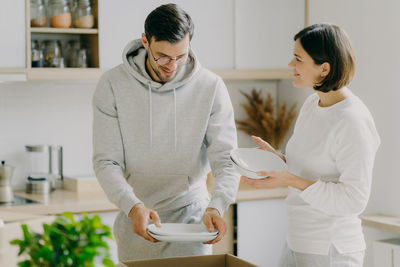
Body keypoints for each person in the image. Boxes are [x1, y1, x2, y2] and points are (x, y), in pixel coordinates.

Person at [92, 3, 239, 262]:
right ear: (145, 41)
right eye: (162, 56)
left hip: (192, 221)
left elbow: (227, 160)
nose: (172, 66)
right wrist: (133, 206)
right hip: (136, 217)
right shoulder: (112, 85)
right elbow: (106, 161)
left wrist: (218, 205)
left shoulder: (211, 86)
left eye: (180, 56)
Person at [242, 23, 380, 267]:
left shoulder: (352, 120)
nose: (290, 65)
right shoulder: (311, 105)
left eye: (298, 58)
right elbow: (310, 169)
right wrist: (277, 160)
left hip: (330, 250)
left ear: (324, 69)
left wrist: (290, 180)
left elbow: (354, 199)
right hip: (297, 242)